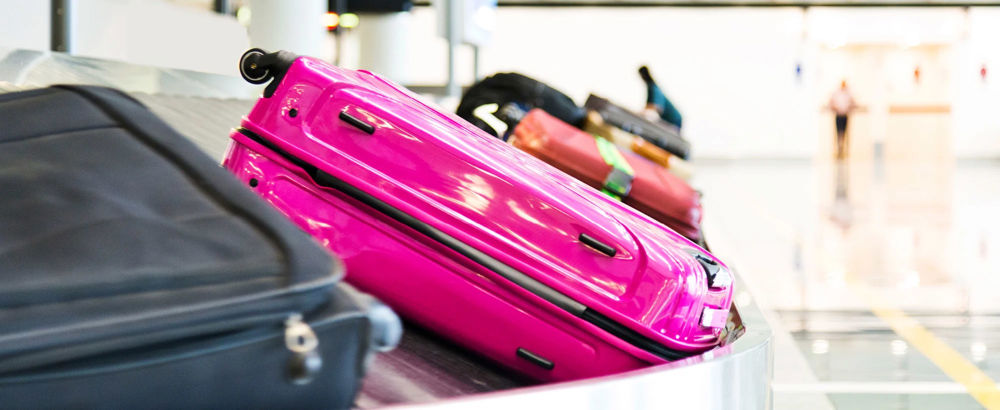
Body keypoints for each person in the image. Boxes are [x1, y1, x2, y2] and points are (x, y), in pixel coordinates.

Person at [829, 80, 857, 159]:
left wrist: (849, 108)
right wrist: (835, 108)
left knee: (845, 133)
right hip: (838, 115)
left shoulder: (849, 94)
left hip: (845, 115)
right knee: (838, 133)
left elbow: (853, 103)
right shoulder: (836, 93)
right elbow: (831, 103)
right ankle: (838, 150)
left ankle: (845, 150)